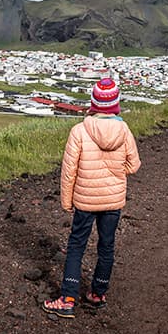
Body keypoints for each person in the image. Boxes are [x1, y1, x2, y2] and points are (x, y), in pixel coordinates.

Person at [42, 77, 141, 319]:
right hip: (113, 201)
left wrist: (66, 201)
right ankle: (98, 293)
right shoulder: (124, 130)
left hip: (85, 200)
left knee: (76, 247)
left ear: (94, 102)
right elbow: (134, 165)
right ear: (116, 103)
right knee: (106, 246)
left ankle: (67, 299)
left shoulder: (79, 131)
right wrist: (116, 172)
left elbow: (69, 171)